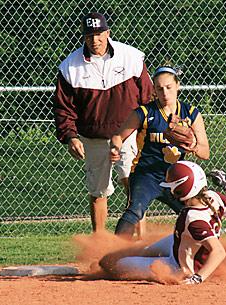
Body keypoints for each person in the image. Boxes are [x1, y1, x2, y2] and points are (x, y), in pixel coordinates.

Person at [53, 12, 154, 232]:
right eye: (89, 35)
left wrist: (147, 129)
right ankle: (100, 243)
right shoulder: (70, 67)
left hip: (127, 134)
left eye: (99, 34)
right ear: (83, 37)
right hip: (93, 138)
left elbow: (147, 97)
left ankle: (140, 241)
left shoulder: (131, 57)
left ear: (108, 33)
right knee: (98, 191)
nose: (95, 40)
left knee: (132, 185)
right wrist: (70, 136)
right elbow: (64, 108)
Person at [99, 161, 226, 284]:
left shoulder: (193, 218)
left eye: (173, 185)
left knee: (115, 266)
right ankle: (125, 255)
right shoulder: (213, 196)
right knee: (142, 250)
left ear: (181, 189)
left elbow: (218, 252)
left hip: (180, 266)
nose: (170, 189)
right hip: (183, 245)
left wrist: (197, 278)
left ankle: (117, 261)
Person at [110, 66, 210, 238]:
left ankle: (202, 254)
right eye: (159, 88)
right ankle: (112, 255)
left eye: (169, 87)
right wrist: (115, 148)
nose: (165, 93)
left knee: (196, 212)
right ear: (154, 90)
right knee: (135, 210)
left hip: (176, 176)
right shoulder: (145, 112)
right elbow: (118, 136)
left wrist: (193, 146)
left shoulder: (191, 113)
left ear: (178, 86)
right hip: (146, 174)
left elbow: (205, 153)